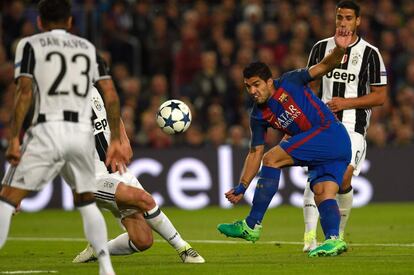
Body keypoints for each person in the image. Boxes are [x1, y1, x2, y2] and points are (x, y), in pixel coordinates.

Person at [0, 1, 128, 274]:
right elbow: (112, 94)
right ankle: (106, 267)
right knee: (86, 200)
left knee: (7, 198)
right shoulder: (88, 49)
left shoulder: (30, 45)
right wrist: (116, 138)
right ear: (70, 21)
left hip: (47, 129)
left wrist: (13, 138)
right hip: (81, 134)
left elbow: (23, 93)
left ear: (39, 22)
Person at [217, 27, 353, 257]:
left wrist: (340, 48)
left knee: (273, 158)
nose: (252, 91)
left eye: (257, 84)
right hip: (330, 149)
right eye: (248, 86)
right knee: (322, 192)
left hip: (330, 133)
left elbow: (324, 66)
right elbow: (254, 153)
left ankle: (251, 225)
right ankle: (334, 239)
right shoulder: (258, 116)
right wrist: (242, 186)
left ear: (270, 82)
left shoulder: (291, 80)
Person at [72, 87, 205, 264]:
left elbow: (111, 109)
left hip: (118, 171)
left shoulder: (94, 86)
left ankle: (98, 249)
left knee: (142, 240)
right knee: (145, 199)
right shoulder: (61, 100)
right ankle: (184, 250)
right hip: (92, 178)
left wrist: (124, 138)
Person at [302, 0, 387, 252]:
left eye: (349, 18)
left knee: (343, 178)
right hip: (324, 126)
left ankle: (337, 234)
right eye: (340, 17)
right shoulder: (321, 48)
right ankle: (309, 238)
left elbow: (380, 96)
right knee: (315, 178)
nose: (343, 22)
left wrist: (346, 102)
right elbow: (311, 86)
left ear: (358, 21)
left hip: (353, 125)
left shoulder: (370, 53)